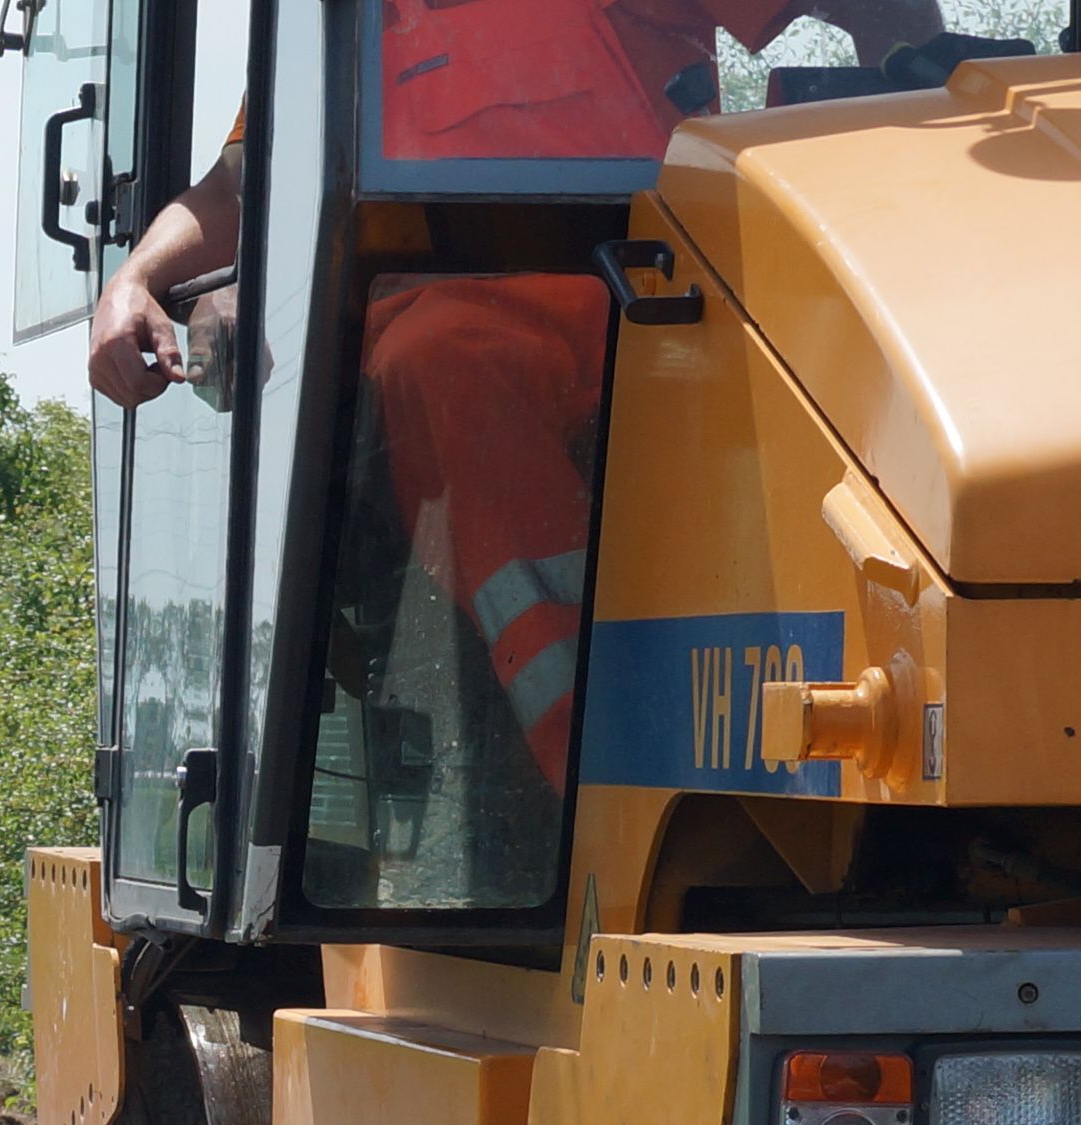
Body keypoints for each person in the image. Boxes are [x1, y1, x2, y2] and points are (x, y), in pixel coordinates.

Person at [86, 0, 946, 784]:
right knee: (434, 363)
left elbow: (875, 6)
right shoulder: (343, 24)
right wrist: (134, 284)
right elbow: (242, 184)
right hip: (461, 373)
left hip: (662, 324)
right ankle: (587, 764)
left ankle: (615, 766)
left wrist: (912, 117)